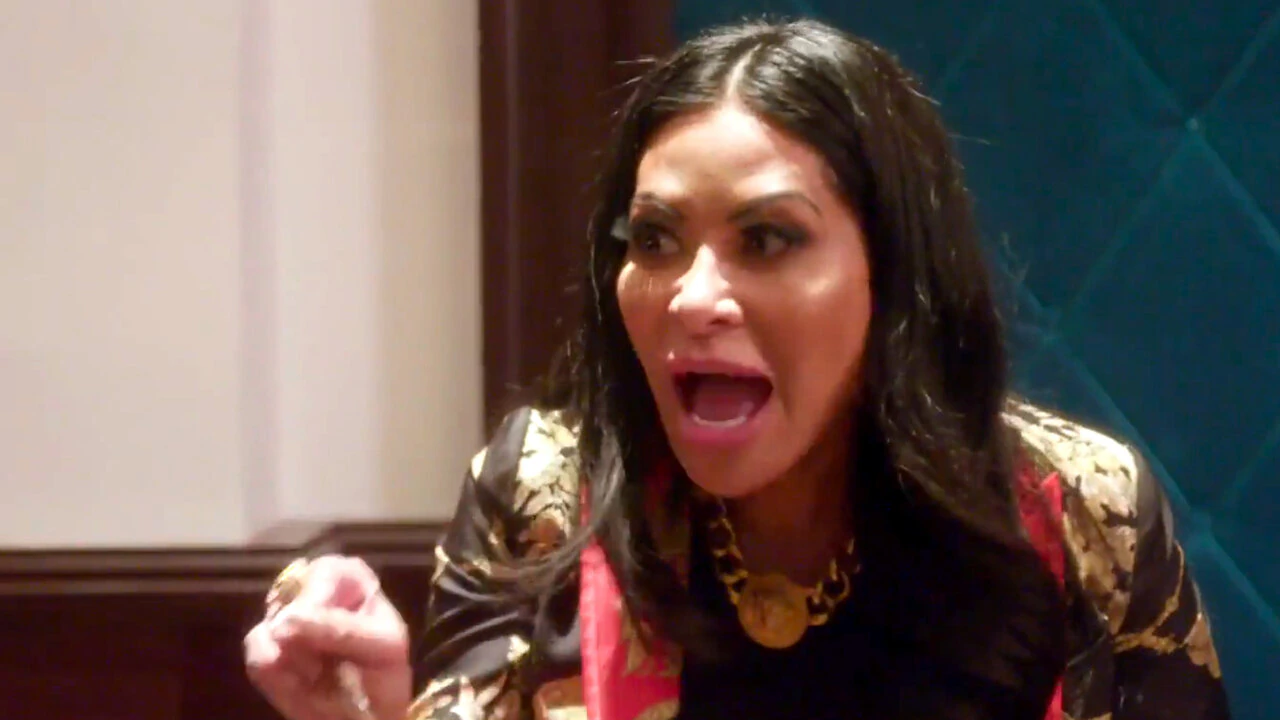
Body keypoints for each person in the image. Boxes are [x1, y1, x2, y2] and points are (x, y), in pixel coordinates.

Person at [244, 18, 1231, 720]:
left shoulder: (1081, 509)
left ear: (891, 277)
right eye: (655, 239)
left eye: (766, 239)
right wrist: (368, 711)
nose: (691, 296)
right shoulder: (538, 492)